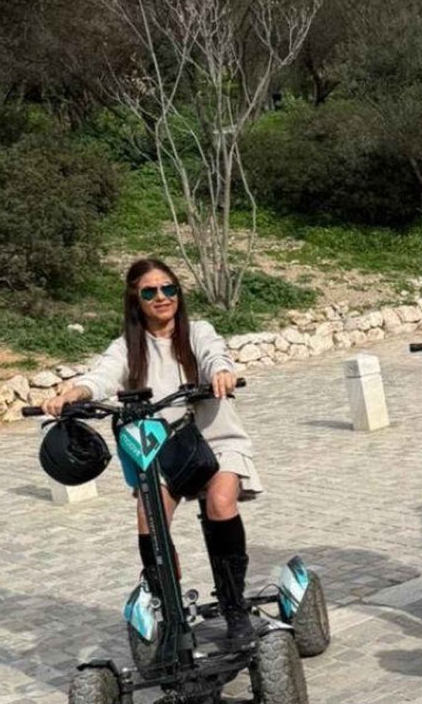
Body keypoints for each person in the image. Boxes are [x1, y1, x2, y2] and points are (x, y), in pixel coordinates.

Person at [43, 258, 261, 646]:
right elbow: (102, 376)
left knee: (220, 501)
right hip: (162, 447)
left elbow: (214, 355)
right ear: (136, 299)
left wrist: (221, 373)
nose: (161, 297)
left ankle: (234, 605)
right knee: (150, 517)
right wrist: (75, 393)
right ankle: (171, 610)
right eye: (150, 292)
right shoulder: (128, 347)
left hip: (214, 437)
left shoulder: (198, 332)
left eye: (168, 289)